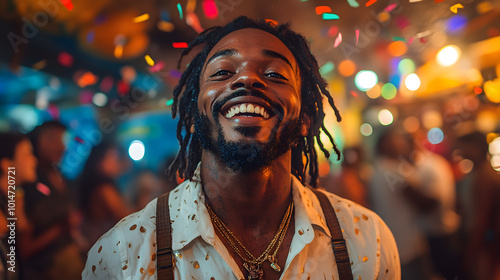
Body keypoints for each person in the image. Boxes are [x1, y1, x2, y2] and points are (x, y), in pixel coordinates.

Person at [83, 16, 400, 280]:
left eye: (274, 74)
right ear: (194, 116)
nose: (247, 79)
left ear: (305, 119)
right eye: (222, 72)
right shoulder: (123, 254)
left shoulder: (365, 239)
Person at [369, 129, 434, 280]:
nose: (402, 145)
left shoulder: (378, 168)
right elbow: (421, 201)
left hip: (395, 242)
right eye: (396, 141)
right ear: (385, 146)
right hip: (407, 244)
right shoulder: (391, 171)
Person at [23, 121, 85, 280]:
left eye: (63, 140)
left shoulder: (60, 175)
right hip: (45, 268)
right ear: (36, 141)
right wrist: (60, 228)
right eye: (52, 139)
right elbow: (23, 249)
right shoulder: (29, 182)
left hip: (74, 253)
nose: (61, 147)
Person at [0, 132, 63, 280]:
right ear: (7, 164)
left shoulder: (15, 197)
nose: (33, 160)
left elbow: (21, 231)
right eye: (27, 154)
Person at [79, 142, 133, 248]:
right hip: (101, 247)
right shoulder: (103, 189)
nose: (116, 162)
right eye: (112, 157)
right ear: (99, 161)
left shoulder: (98, 184)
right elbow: (124, 217)